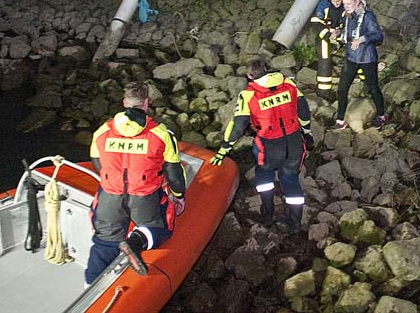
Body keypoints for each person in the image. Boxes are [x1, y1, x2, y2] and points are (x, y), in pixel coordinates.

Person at [85, 82, 186, 286]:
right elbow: (173, 172)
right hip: (144, 196)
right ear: (146, 104)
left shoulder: (102, 131)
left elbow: (98, 163)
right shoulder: (161, 134)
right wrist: (179, 195)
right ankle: (135, 240)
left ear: (124, 103)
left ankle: (89, 288)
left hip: (109, 196)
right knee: (160, 228)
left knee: (104, 241)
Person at [209, 57, 312, 232]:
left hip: (268, 145)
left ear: (250, 75)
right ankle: (294, 223)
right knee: (291, 180)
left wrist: (223, 149)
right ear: (267, 69)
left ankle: (268, 215)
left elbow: (238, 125)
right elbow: (303, 110)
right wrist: (307, 133)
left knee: (265, 179)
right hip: (294, 142)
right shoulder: (288, 84)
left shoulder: (248, 94)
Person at [331, 0, 387, 129]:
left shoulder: (367, 16)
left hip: (367, 58)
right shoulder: (348, 15)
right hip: (351, 57)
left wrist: (362, 39)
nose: (346, 6)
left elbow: (378, 36)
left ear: (356, 2)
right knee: (342, 88)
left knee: (373, 88)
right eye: (344, 4)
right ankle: (340, 120)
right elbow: (347, 32)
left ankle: (381, 115)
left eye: (349, 3)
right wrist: (338, 32)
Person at [310, 0, 346, 97]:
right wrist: (328, 35)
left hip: (341, 36)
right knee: (325, 60)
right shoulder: (324, 4)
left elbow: (348, 22)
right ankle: (323, 91)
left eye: (339, 0)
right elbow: (316, 23)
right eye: (334, 0)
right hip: (325, 37)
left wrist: (339, 32)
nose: (337, 2)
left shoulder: (346, 6)